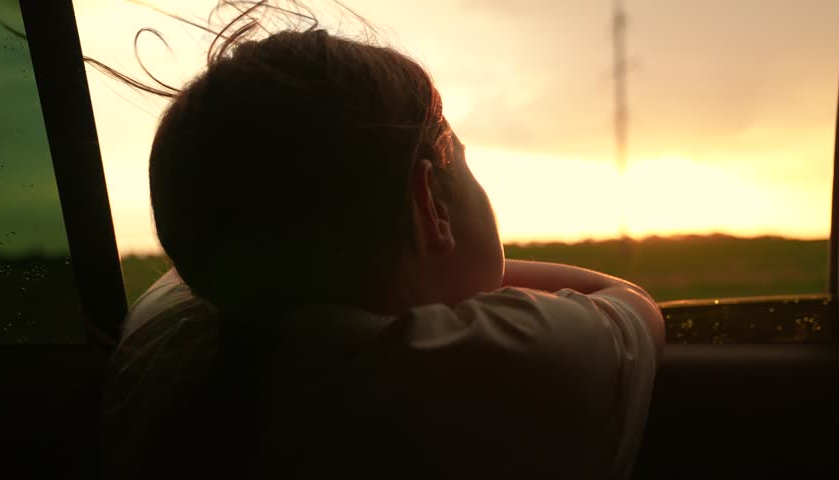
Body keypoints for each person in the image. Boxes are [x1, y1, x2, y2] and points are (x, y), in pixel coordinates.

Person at [99, 2, 665, 478]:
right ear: (431, 202)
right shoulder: (478, 368)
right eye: (465, 164)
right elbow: (631, 305)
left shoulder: (164, 341)